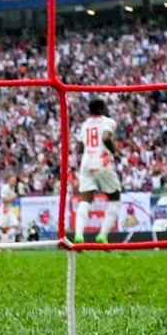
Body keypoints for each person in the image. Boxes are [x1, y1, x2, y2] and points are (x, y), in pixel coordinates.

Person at [72, 98, 121, 244]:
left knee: (85, 199)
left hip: (86, 161)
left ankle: (79, 235)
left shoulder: (85, 124)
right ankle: (102, 235)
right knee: (114, 198)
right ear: (101, 109)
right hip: (102, 161)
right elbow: (106, 138)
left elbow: (79, 148)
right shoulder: (108, 121)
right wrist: (114, 152)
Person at [0, 172, 22, 244]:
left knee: (15, 225)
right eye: (13, 180)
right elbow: (4, 200)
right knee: (2, 228)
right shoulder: (5, 188)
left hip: (9, 210)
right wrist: (12, 198)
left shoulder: (12, 189)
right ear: (9, 180)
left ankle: (9, 243)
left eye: (15, 180)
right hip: (4, 210)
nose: (15, 182)